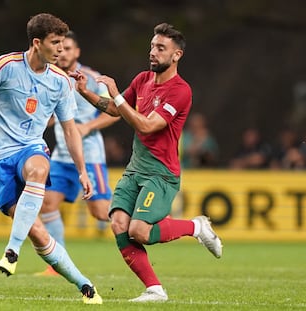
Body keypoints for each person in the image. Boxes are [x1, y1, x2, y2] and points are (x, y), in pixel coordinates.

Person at [0, 13, 102, 304]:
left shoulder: (61, 81)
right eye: (55, 43)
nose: (61, 49)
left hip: (30, 148)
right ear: (37, 43)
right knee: (37, 230)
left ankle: (12, 250)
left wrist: (82, 170)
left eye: (63, 43)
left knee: (38, 167)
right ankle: (85, 285)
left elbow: (70, 130)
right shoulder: (5, 66)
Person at [70, 22, 222, 302]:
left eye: (161, 48)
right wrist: (86, 92)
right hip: (135, 169)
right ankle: (155, 289)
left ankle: (196, 227)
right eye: (152, 46)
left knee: (139, 231)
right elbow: (117, 109)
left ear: (176, 56)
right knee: (117, 223)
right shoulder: (142, 80)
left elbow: (147, 125)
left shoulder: (180, 91)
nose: (153, 52)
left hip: (161, 173)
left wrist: (114, 91)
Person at [37, 31, 120, 276]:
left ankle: (142, 215)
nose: (63, 53)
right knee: (48, 202)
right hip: (63, 155)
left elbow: (115, 113)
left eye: (69, 48)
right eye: (60, 48)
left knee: (100, 211)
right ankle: (58, 263)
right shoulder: (50, 76)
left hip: (90, 154)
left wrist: (88, 126)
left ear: (77, 52)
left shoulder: (92, 79)